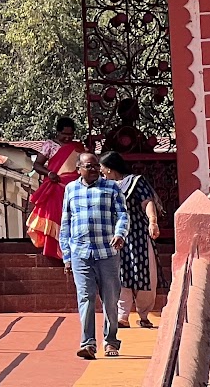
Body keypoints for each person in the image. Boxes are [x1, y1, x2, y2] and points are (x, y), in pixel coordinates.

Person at [60, 151, 129, 360]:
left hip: (107, 252)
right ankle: (88, 344)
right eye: (88, 166)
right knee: (86, 297)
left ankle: (111, 341)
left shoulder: (112, 188)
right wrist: (66, 255)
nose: (93, 170)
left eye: (96, 166)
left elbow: (123, 215)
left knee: (110, 299)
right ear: (78, 168)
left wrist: (120, 234)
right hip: (80, 253)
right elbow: (65, 223)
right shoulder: (70, 189)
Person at [99, 151, 161, 328]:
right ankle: (122, 316)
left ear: (109, 168)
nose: (100, 171)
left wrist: (153, 221)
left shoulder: (135, 181)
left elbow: (147, 202)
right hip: (116, 237)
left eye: (102, 167)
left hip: (139, 235)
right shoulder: (103, 186)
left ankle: (144, 315)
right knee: (119, 275)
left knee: (145, 274)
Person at [27, 115, 85, 261]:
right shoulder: (50, 145)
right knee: (55, 217)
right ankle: (55, 252)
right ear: (57, 133)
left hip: (74, 189)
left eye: (70, 134)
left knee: (73, 219)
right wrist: (49, 173)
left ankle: (71, 252)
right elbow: (37, 165)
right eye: (64, 134)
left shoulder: (78, 147)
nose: (67, 138)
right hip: (55, 188)